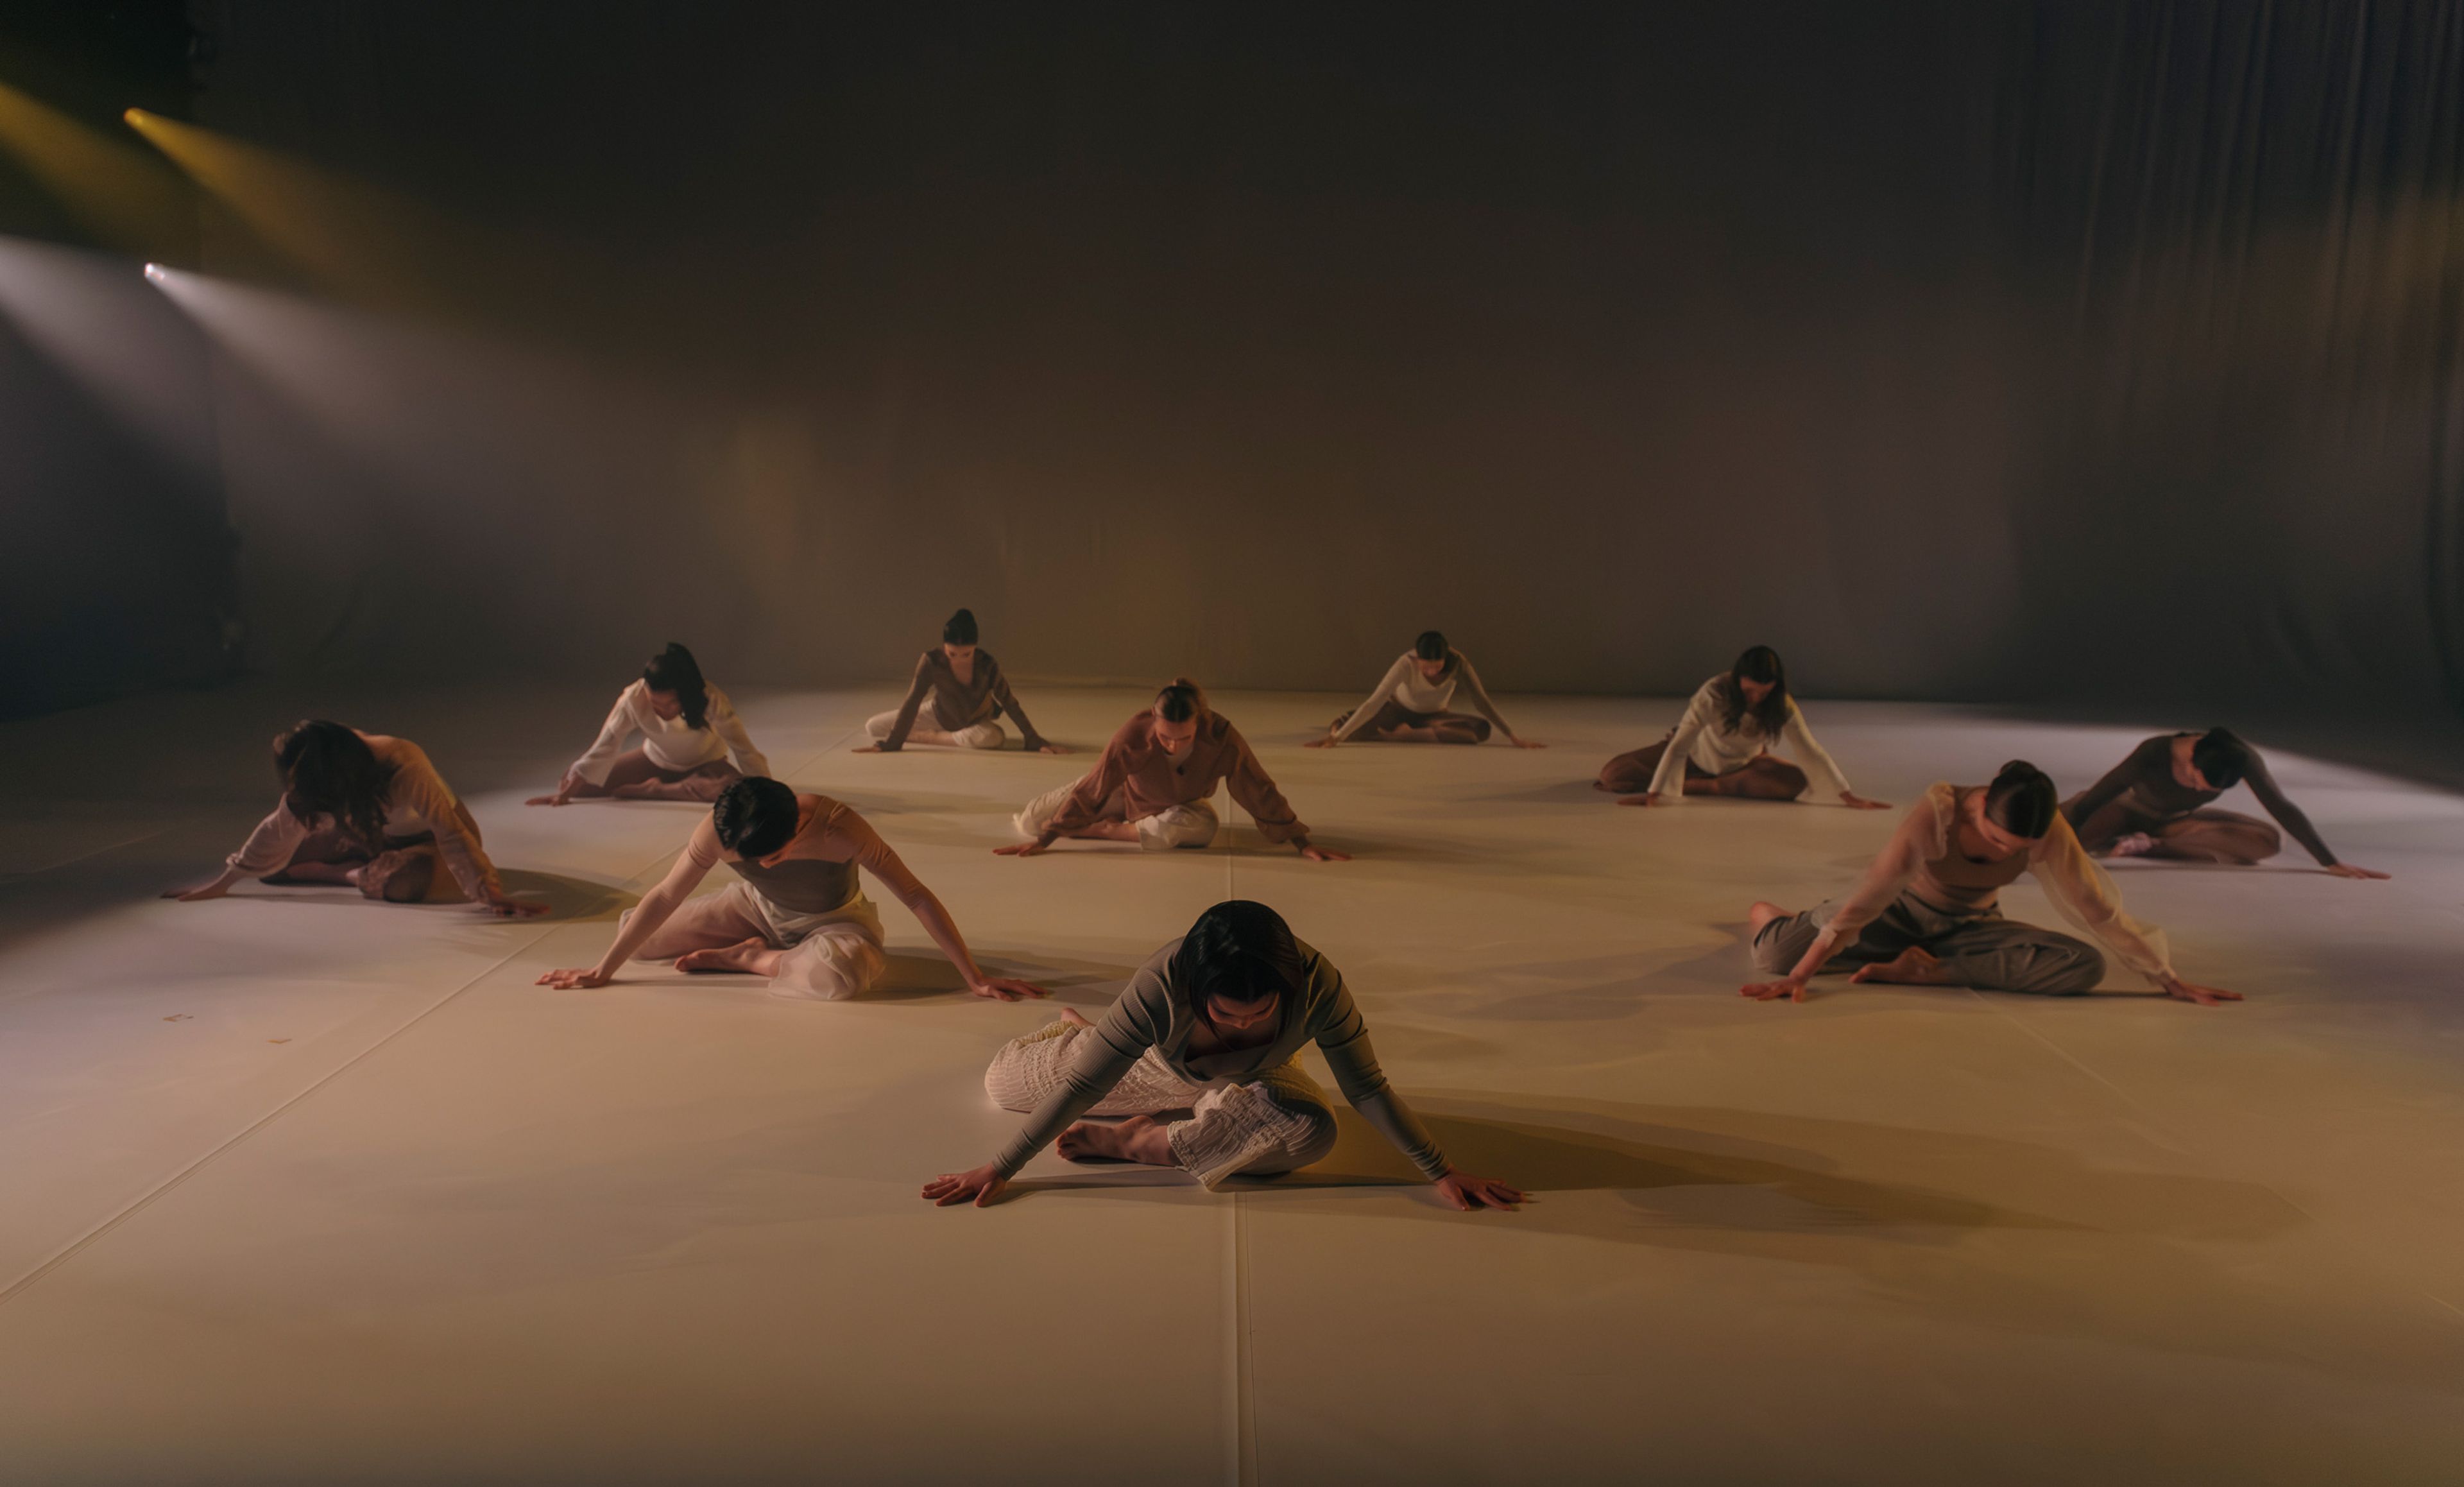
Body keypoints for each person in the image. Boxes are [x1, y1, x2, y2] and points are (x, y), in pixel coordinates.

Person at [921, 900, 1527, 1208]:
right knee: (1002, 1084)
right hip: (1156, 1064)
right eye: (1228, 1015)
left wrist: (1440, 1169)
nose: (1245, 1024)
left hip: (1264, 1077)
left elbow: (1366, 1087)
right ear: (1195, 992)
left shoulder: (1319, 987)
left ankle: (1139, 1141)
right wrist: (1001, 1167)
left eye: (1260, 1014)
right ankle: (1092, 1033)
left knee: (1314, 1134)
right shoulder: (1161, 983)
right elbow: (1081, 1089)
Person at [1740, 761, 2241, 1006]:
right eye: (1998, 841)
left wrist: (2166, 977)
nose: (2007, 853)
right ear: (1979, 810)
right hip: (1896, 912)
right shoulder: (1939, 811)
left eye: (2019, 848)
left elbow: (2095, 907)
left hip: (1971, 926)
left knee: (2082, 966)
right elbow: (1876, 889)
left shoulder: (2046, 831)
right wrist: (1801, 974)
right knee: (1775, 957)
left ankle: (1927, 970)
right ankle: (1781, 916)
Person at [536, 776, 1046, 1002]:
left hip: (837, 920)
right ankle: (759, 945)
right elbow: (665, 895)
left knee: (838, 977)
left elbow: (914, 894)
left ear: (796, 828)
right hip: (757, 909)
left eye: (771, 855)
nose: (761, 862)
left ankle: (749, 960)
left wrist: (974, 977)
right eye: (749, 857)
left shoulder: (838, 826)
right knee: (637, 936)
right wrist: (603, 972)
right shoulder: (718, 829)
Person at [166, 720, 541, 916]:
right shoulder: (313, 773)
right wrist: (224, 883)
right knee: (270, 867)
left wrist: (489, 894)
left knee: (404, 883)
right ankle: (361, 862)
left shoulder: (403, 764)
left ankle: (340, 874)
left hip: (422, 840)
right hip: (365, 834)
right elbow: (279, 827)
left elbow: (452, 833)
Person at [1001, 680, 1349, 860]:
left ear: (1199, 723)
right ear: (1154, 720)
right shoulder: (1133, 735)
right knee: (1033, 823)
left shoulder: (1221, 737)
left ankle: (1104, 832)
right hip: (1123, 793)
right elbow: (1097, 785)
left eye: (1184, 739)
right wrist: (1047, 840)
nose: (1172, 746)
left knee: (1205, 827)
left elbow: (1257, 786)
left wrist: (1300, 842)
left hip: (1176, 807)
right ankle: (1086, 824)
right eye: (1166, 738)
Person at [2062, 728, 2388, 879]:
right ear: (2192, 756)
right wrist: (2071, 831)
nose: (2194, 787)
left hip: (2174, 822)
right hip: (2121, 809)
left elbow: (2280, 806)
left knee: (2267, 840)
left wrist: (2328, 861)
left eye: (2203, 789)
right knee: (2057, 833)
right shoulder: (2155, 751)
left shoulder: (2242, 758)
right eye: (2192, 781)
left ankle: (2148, 845)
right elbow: (2101, 793)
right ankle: (2115, 838)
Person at [1597, 646, 1886, 810]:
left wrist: (1844, 795)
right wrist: (1658, 794)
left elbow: (1808, 748)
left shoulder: (1781, 703)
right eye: (1750, 692)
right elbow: (1681, 745)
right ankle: (1690, 785)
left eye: (1764, 693)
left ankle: (1703, 788)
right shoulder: (1714, 693)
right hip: (1696, 760)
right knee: (1614, 775)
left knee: (1798, 782)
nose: (1756, 699)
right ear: (1738, 681)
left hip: (1744, 766)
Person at [529, 643, 770, 805]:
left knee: (737, 793)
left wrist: (770, 794)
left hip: (706, 766)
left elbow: (743, 748)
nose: (663, 711)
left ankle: (658, 791)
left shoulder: (711, 698)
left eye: (671, 704)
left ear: (684, 694)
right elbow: (606, 744)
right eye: (656, 704)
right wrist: (566, 795)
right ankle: (672, 786)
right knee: (573, 781)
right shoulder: (633, 697)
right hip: (654, 762)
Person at [857, 608, 1065, 755]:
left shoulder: (987, 665)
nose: (958, 660)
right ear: (944, 647)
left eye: (966, 655)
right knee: (874, 727)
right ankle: (940, 735)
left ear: (975, 648)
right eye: (952, 654)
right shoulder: (932, 661)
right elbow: (913, 700)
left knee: (993, 738)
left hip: (973, 721)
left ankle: (927, 738)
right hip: (938, 714)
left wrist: (1033, 739)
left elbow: (1009, 702)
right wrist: (894, 743)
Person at [1306, 630, 1541, 748]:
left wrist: (1513, 737)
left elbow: (1481, 701)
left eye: (1436, 667)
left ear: (1445, 659)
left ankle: (1404, 735)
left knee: (1479, 730)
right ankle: (1388, 730)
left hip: (1435, 717)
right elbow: (1375, 701)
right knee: (1343, 726)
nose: (1431, 673)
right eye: (1426, 668)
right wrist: (1337, 738)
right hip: (1398, 711)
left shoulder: (1459, 663)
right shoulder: (1406, 663)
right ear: (1418, 658)